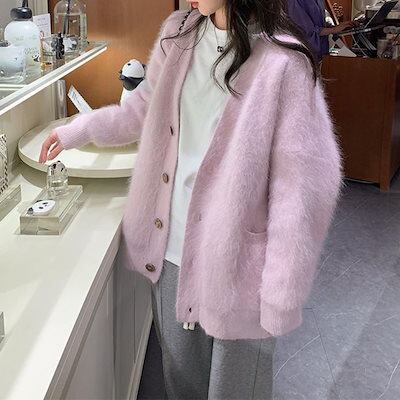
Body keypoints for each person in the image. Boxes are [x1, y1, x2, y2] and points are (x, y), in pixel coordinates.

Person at [39, 1, 344, 398]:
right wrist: (78, 131)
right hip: (171, 254)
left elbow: (301, 190)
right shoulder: (178, 35)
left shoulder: (283, 63)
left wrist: (282, 290)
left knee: (236, 392)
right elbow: (142, 109)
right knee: (181, 385)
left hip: (240, 271)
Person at [286, 0, 357, 61]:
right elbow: (306, 30)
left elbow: (319, 24)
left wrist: (338, 27)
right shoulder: (294, 1)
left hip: (321, 54)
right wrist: (333, 30)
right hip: (305, 55)